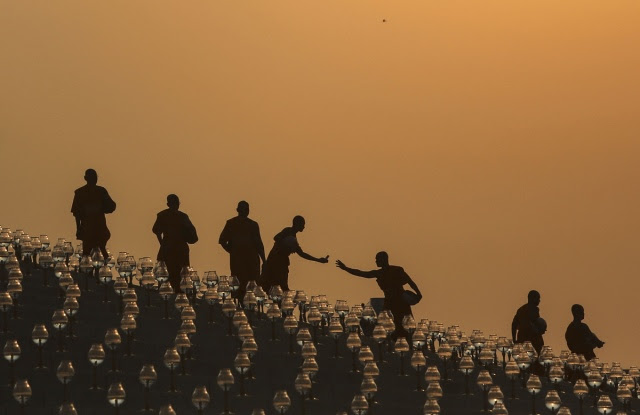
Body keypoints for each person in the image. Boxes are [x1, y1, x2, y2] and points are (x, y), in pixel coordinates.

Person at [335, 251, 422, 340]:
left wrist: (418, 294)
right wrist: (346, 268)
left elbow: (410, 282)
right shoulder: (379, 273)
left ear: (384, 260)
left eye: (377, 259)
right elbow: (361, 273)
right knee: (389, 326)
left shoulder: (397, 270)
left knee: (402, 325)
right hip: (389, 303)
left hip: (400, 302)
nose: (375, 261)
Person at [259, 215, 329, 292]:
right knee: (274, 286)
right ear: (297, 224)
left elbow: (302, 254)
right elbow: (276, 237)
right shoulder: (288, 231)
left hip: (282, 262)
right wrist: (286, 243)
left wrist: (318, 260)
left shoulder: (293, 238)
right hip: (275, 261)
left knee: (280, 286)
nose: (304, 227)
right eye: (303, 224)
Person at [219, 201, 266, 299]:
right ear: (238, 210)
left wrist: (264, 260)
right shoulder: (231, 223)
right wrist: (232, 251)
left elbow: (259, 244)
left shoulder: (252, 225)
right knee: (239, 287)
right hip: (239, 262)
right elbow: (222, 241)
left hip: (250, 261)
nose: (245, 211)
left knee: (250, 287)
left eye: (247, 209)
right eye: (244, 209)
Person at [152, 194, 198, 292]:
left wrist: (162, 244)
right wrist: (162, 244)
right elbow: (156, 231)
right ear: (168, 204)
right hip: (172, 249)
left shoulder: (181, 216)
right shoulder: (169, 216)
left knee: (177, 277)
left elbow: (193, 236)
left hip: (176, 249)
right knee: (168, 276)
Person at [71, 168, 116, 260]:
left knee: (99, 250)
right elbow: (76, 213)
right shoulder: (80, 193)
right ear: (86, 178)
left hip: (99, 226)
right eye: (92, 177)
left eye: (95, 177)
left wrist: (101, 209)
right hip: (87, 227)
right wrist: (78, 228)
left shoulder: (101, 191)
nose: (94, 179)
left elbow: (112, 206)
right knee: (87, 253)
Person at [512, 290, 545, 354]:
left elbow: (514, 325)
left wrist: (514, 339)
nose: (539, 301)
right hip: (532, 338)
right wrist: (540, 330)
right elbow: (533, 324)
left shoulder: (521, 309)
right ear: (532, 299)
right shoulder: (534, 309)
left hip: (521, 338)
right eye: (538, 298)